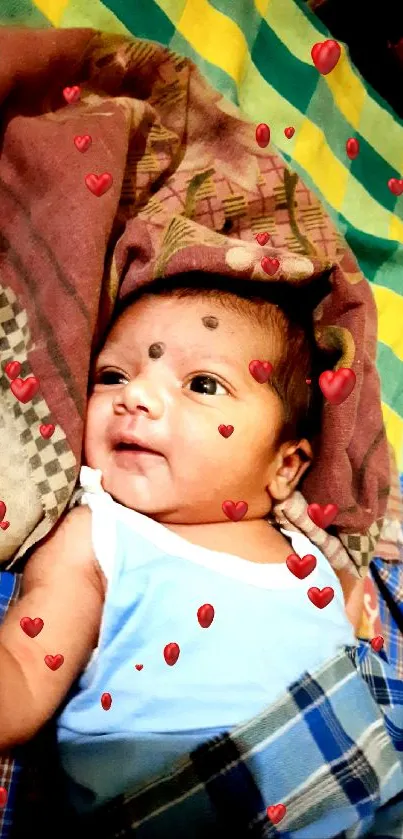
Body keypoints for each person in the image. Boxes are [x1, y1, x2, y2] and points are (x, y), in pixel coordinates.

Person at [0, 272, 364, 813]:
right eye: (112, 375)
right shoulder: (99, 535)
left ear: (285, 467)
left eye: (202, 384)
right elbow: (25, 675)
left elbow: (348, 635)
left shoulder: (310, 553)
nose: (137, 396)